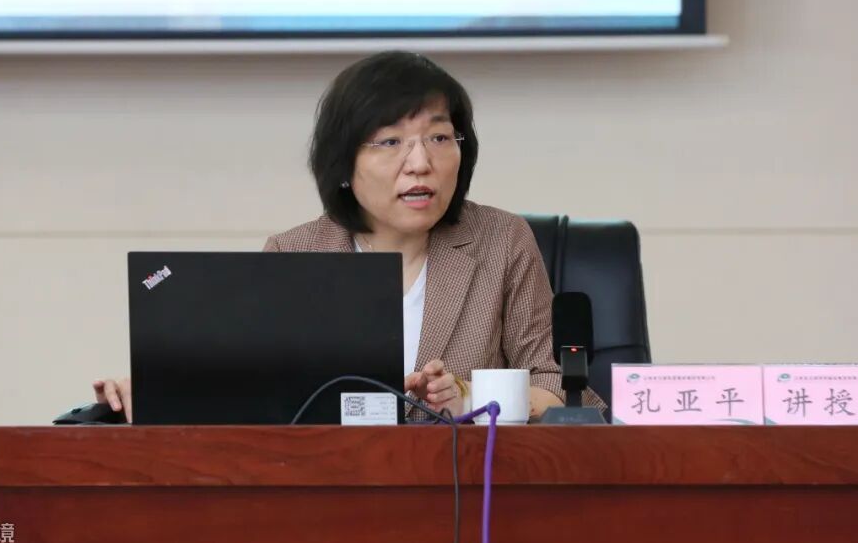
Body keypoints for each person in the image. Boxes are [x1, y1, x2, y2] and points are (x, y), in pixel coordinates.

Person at [93, 50, 606, 422]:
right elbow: (253, 395)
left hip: (466, 497)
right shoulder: (295, 254)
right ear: (343, 164)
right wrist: (163, 392)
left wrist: (470, 398)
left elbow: (563, 390)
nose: (420, 162)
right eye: (390, 141)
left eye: (438, 136)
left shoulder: (500, 241)